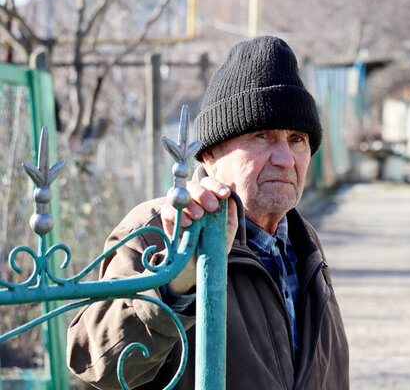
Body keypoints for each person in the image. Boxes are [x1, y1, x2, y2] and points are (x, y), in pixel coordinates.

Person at [66, 35, 349, 389]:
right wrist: (172, 285)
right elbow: (95, 364)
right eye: (262, 135)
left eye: (297, 139)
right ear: (211, 155)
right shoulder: (161, 229)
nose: (285, 159)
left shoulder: (304, 243)